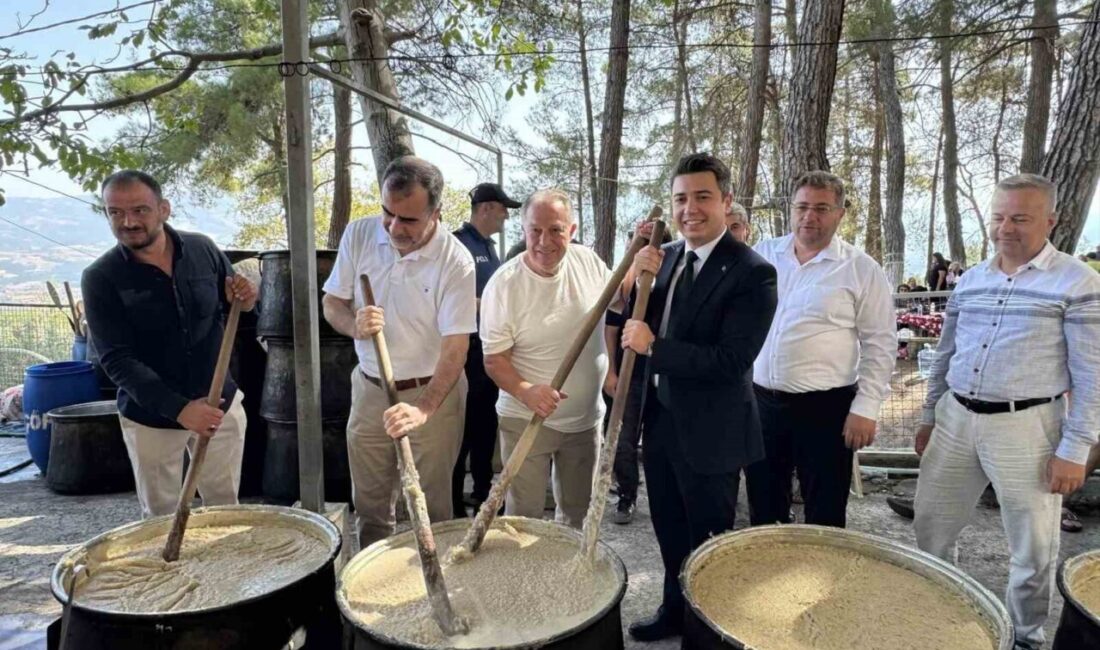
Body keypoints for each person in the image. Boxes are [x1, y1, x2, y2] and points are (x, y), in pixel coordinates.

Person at [913, 173, 1100, 650]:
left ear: (1050, 220)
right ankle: (938, 619)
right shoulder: (972, 280)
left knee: (1032, 546)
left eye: (1020, 217)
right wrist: (930, 415)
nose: (1006, 227)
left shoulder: (1078, 283)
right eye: (998, 216)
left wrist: (1075, 448)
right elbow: (946, 352)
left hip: (1028, 426)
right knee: (932, 528)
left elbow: (1092, 374)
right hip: (956, 418)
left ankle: (1025, 637)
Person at [621, 153, 777, 641]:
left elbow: (730, 360)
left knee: (708, 540)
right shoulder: (663, 256)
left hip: (713, 431)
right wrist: (634, 276)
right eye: (681, 198)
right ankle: (673, 610)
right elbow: (634, 319)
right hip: (662, 421)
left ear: (726, 202)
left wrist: (656, 348)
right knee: (668, 530)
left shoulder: (753, 273)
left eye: (703, 197)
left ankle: (704, 634)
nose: (690, 209)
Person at [82, 170, 258, 519]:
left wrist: (247, 298)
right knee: (161, 516)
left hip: (219, 403)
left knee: (225, 508)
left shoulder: (202, 249)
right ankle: (170, 573)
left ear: (163, 209)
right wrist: (180, 409)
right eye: (115, 212)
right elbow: (116, 360)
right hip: (152, 417)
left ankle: (221, 573)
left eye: (140, 210)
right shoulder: (100, 277)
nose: (128, 221)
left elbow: (233, 305)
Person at [322, 156, 476, 547]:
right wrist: (352, 323)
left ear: (436, 213)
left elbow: (456, 346)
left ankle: (436, 582)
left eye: (407, 220)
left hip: (433, 393)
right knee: (371, 503)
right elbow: (332, 304)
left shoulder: (455, 260)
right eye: (387, 213)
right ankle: (373, 588)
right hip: (371, 386)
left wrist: (423, 408)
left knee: (432, 504)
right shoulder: (359, 235)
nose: (393, 227)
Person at [743, 171, 895, 529]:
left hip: (826, 409)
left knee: (824, 509)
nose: (809, 216)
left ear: (840, 213)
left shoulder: (861, 269)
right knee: (763, 504)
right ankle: (765, 580)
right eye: (802, 206)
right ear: (791, 209)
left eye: (821, 208)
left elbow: (881, 341)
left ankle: (821, 582)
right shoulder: (762, 255)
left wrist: (867, 407)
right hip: (760, 403)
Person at [479, 189, 612, 528]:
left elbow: (620, 298)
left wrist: (639, 268)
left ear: (572, 230)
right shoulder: (505, 285)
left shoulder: (588, 263)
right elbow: (494, 360)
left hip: (584, 421)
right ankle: (525, 580)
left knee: (578, 515)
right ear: (523, 230)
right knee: (524, 519)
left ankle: (568, 581)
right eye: (535, 230)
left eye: (555, 230)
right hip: (526, 418)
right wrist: (526, 391)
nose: (544, 241)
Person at [450, 182, 521, 517]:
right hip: (465, 350)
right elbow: (452, 297)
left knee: (484, 426)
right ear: (486, 208)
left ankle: (482, 492)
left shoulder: (490, 249)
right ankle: (451, 501)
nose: (506, 215)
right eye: (503, 208)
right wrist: (493, 304)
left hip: (489, 352)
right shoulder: (457, 243)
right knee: (461, 429)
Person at [604, 227, 674, 525]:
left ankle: (668, 493)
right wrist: (610, 369)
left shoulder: (674, 277)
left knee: (663, 439)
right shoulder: (626, 282)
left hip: (660, 370)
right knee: (622, 438)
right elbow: (612, 325)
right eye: (640, 247)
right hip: (628, 372)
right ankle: (627, 495)